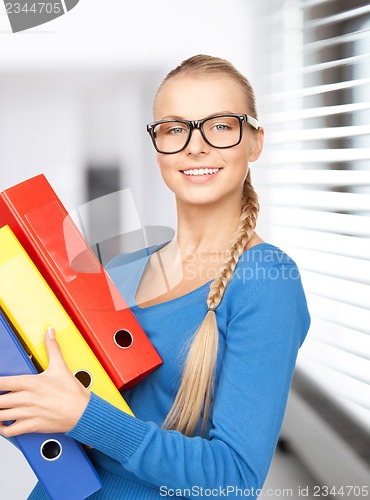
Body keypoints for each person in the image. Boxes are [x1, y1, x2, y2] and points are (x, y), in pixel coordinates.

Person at [0, 55, 310, 499]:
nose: (195, 145)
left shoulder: (268, 281)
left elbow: (235, 480)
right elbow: (83, 424)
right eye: (175, 128)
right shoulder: (124, 267)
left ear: (255, 142)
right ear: (158, 145)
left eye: (221, 126)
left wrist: (81, 415)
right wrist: (29, 409)